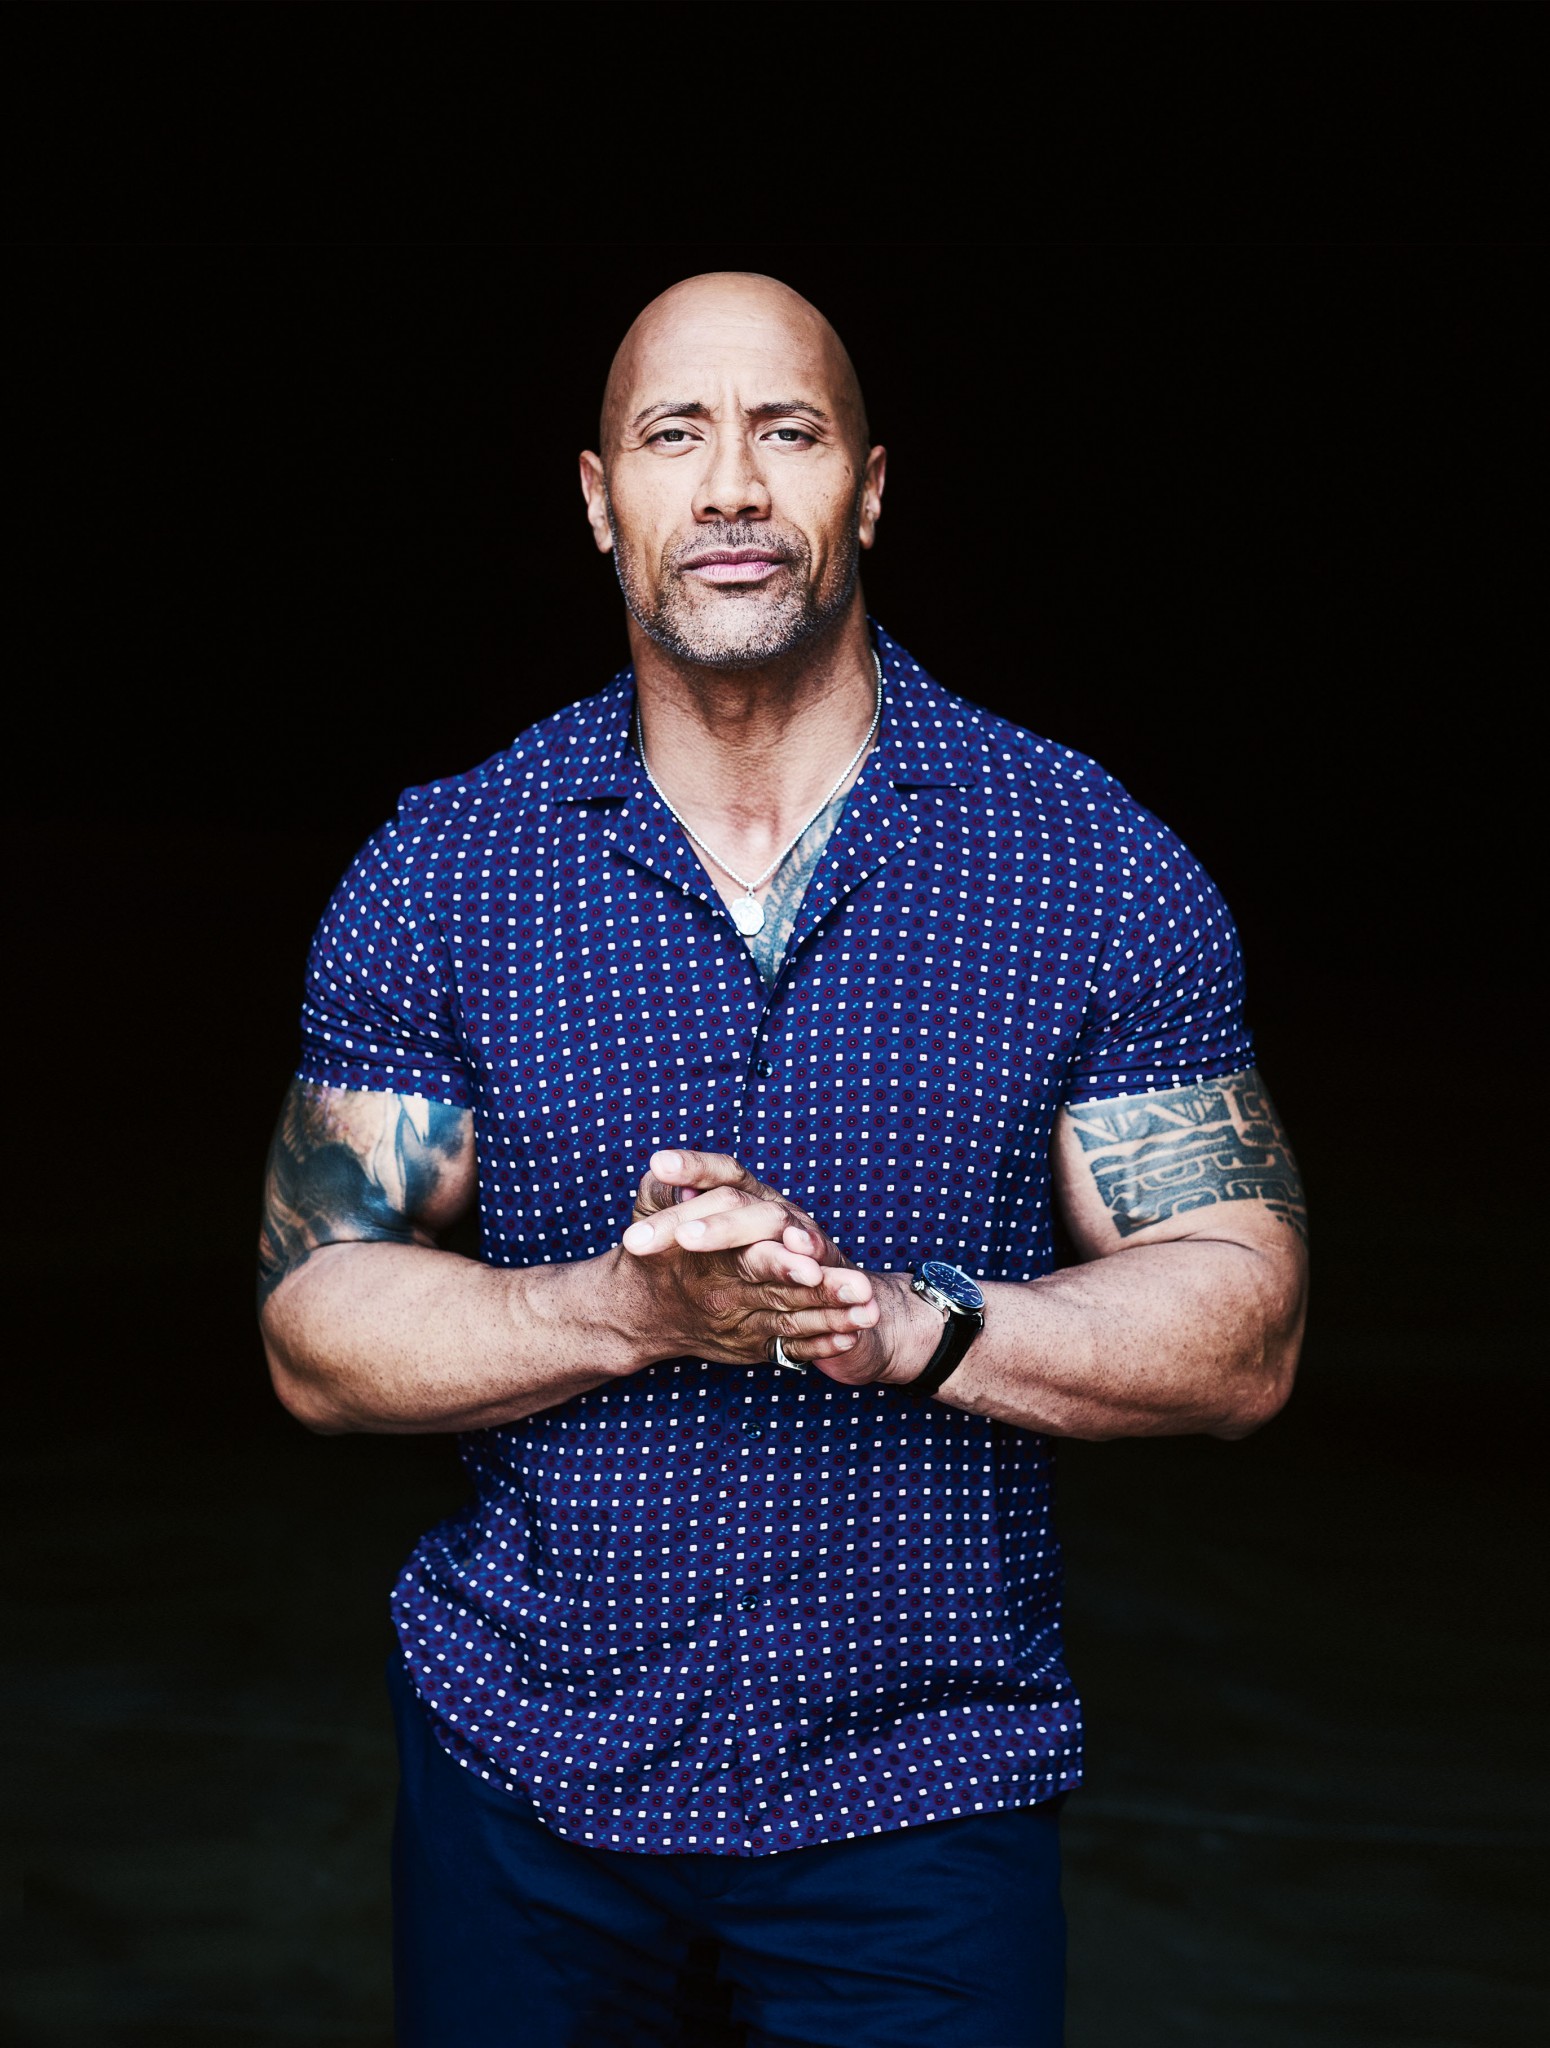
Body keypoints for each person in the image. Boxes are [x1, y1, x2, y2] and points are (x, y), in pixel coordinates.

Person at [258, 271, 1308, 2047]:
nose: (732, 485)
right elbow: (316, 1322)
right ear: (600, 498)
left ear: (868, 489)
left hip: (921, 1801)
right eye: (675, 434)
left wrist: (903, 1324)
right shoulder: (443, 869)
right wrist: (626, 1313)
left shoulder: (1087, 859)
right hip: (527, 1782)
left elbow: (1243, 1322)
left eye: (789, 432)